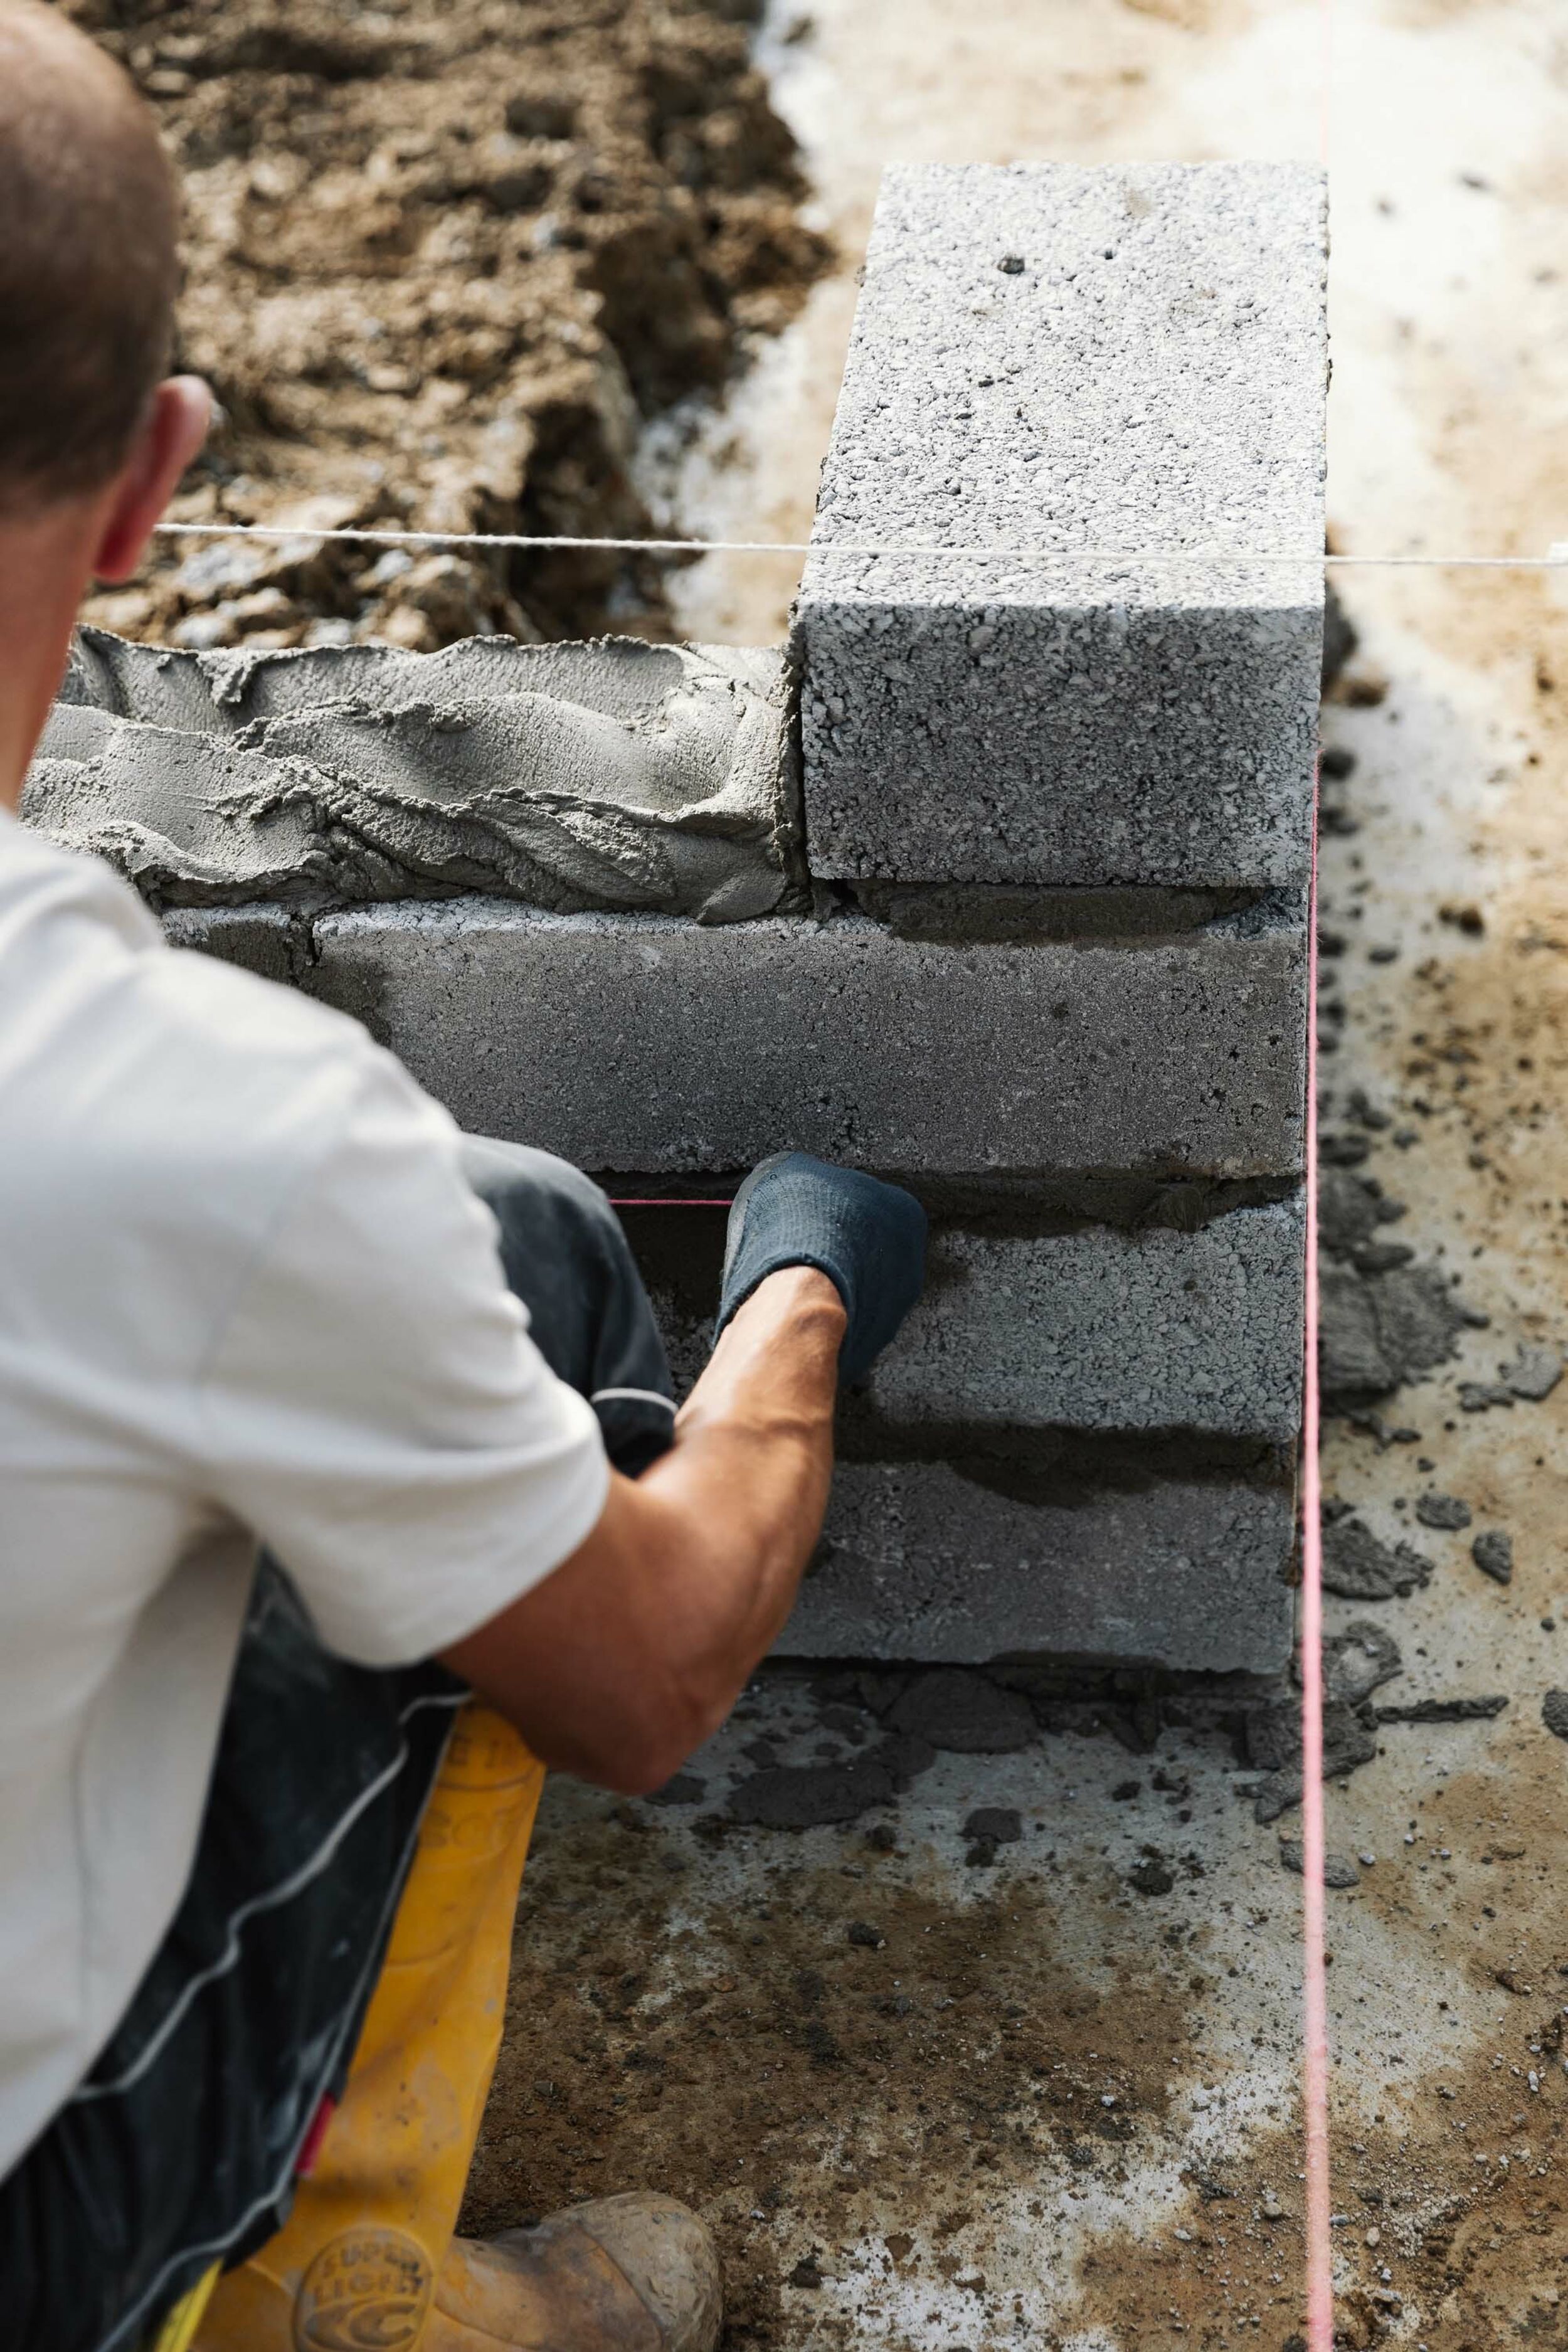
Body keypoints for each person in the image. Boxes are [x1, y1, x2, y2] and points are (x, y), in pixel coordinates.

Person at [0, 9, 927, 2349]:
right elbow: (645, 1672)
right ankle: (362, 2291)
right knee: (532, 1292)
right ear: (151, 491)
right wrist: (798, 1305)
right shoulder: (192, 1128)